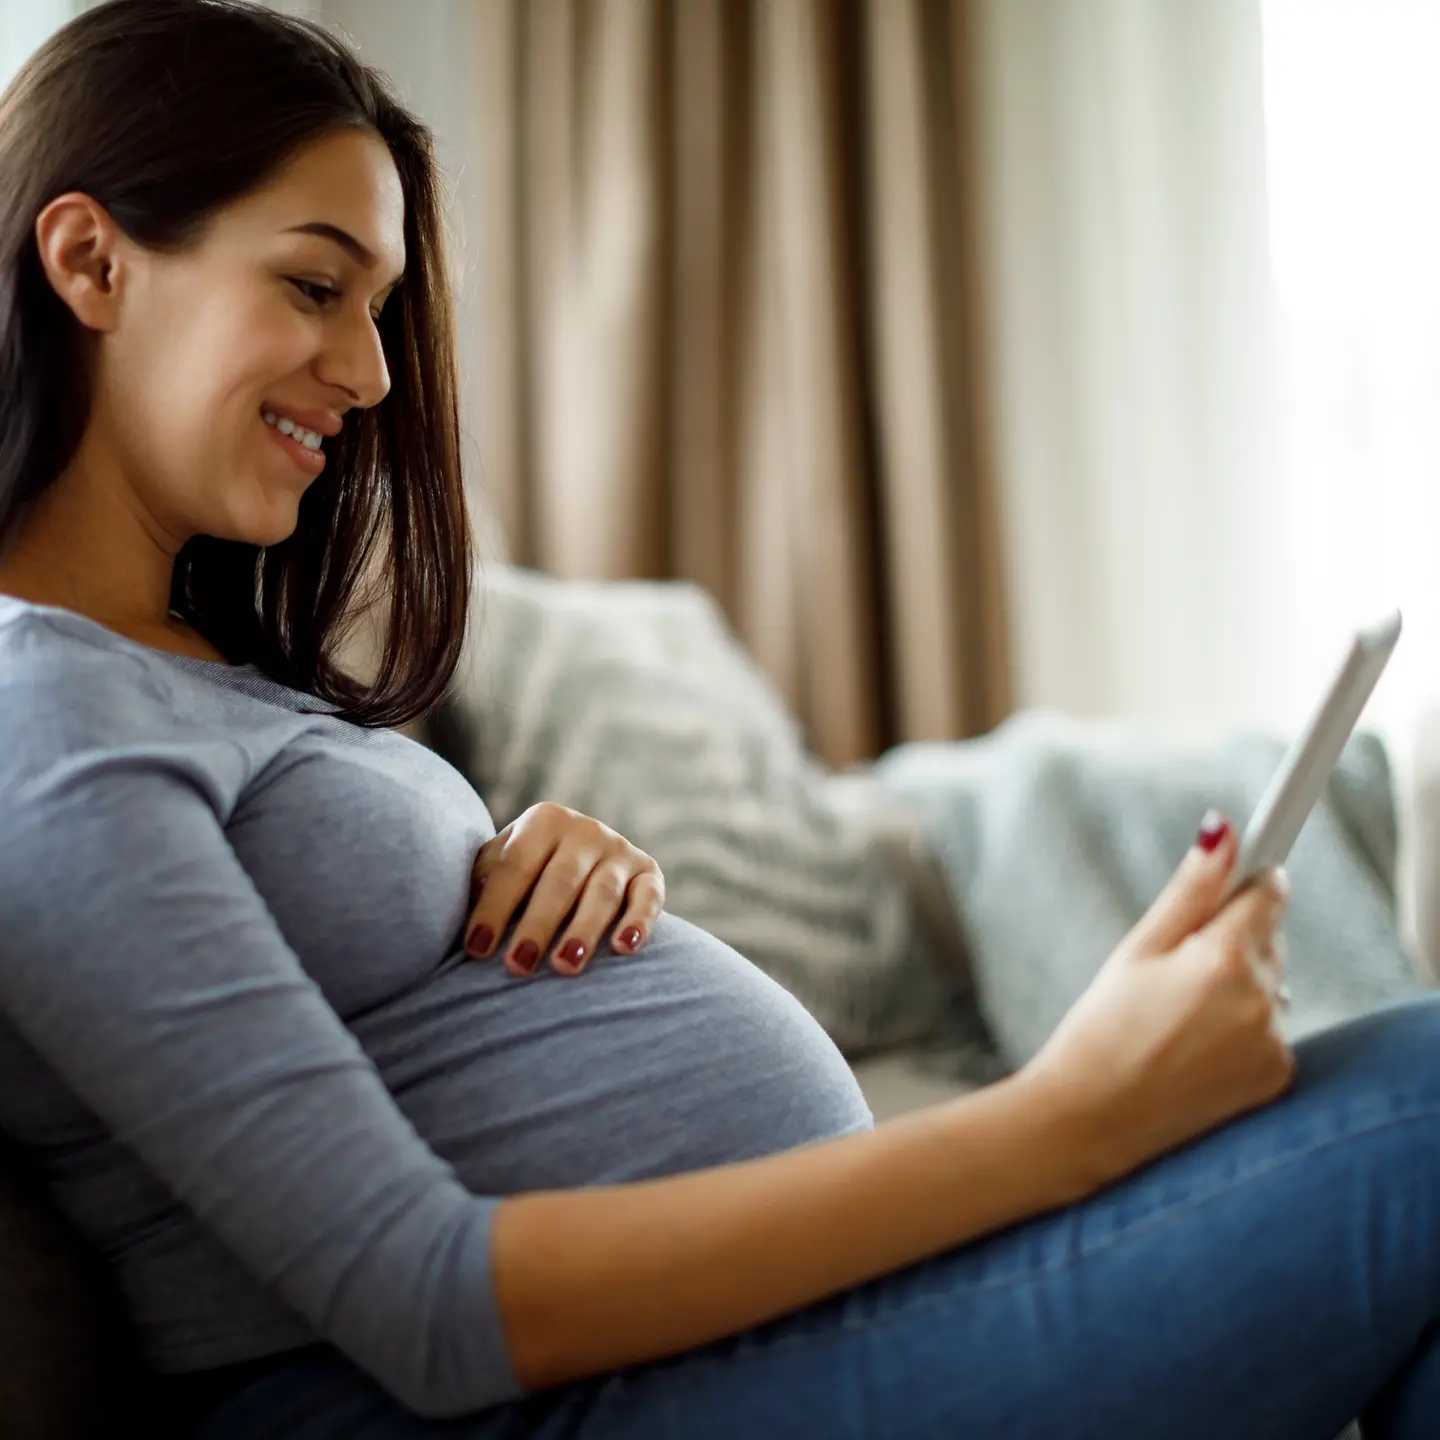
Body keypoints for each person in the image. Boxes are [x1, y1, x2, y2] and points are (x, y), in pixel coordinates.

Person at [0, 3, 1436, 1437]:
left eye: (375, 309)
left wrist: (521, 866)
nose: (373, 374)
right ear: (90, 262)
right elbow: (428, 1304)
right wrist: (1073, 1114)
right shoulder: (43, 710)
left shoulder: (186, 665)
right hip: (488, 1409)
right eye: (316, 286)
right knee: (1417, 1110)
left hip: (688, 1361)